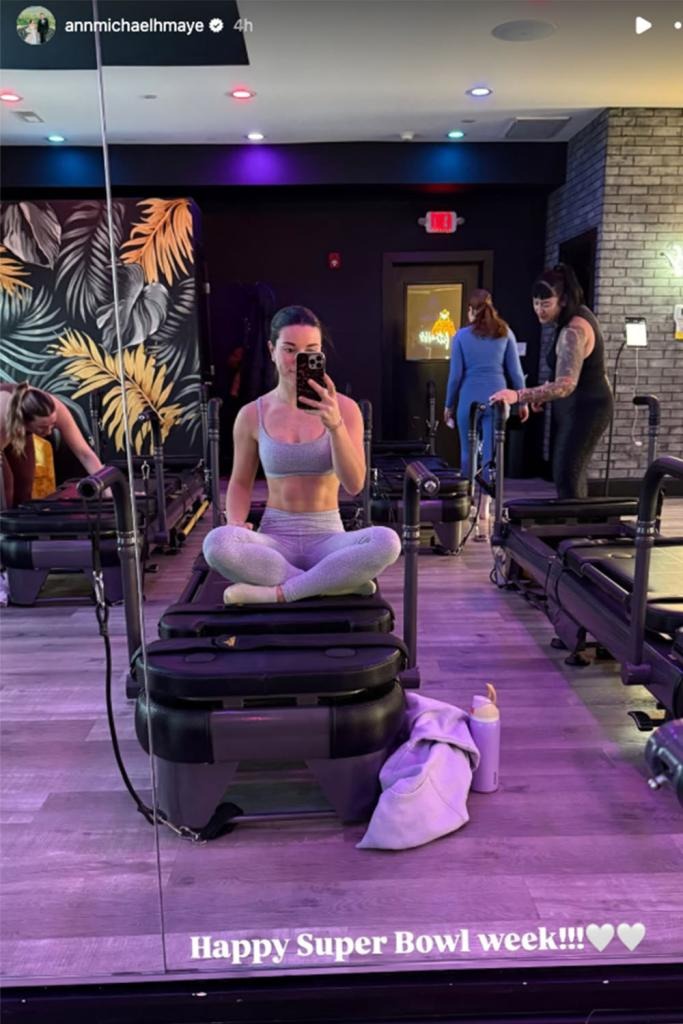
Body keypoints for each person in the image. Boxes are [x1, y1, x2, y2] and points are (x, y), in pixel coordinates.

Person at [202, 305, 401, 604]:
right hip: (274, 540)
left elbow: (354, 485)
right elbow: (241, 482)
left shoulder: (346, 410)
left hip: (329, 539)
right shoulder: (252, 414)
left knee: (387, 541)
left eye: (310, 351)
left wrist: (335, 426)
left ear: (321, 354)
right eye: (290, 350)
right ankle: (333, 582)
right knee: (216, 543)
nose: (299, 360)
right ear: (272, 350)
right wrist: (235, 522)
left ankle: (281, 593)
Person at [490, 263, 613, 499]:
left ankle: (574, 522)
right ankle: (573, 520)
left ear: (563, 300)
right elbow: (564, 370)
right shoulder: (569, 320)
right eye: (536, 303)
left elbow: (566, 384)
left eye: (545, 304)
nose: (539, 310)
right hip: (576, 405)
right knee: (567, 473)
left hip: (588, 407)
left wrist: (518, 395)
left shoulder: (573, 330)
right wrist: (545, 390)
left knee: (568, 474)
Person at [443, 289, 528, 539]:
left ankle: (468, 504)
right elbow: (516, 372)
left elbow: (455, 376)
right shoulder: (505, 333)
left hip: (469, 399)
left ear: (470, 311)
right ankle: (486, 510)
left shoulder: (461, 336)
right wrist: (523, 401)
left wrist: (448, 405)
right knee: (492, 455)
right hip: (498, 400)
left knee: (468, 452)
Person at [0, 382, 104, 509]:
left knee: (24, 483)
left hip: (16, 427)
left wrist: (107, 489)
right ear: (25, 421)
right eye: (43, 427)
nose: (49, 432)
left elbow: (85, 454)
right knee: (6, 485)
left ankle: (21, 520)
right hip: (4, 425)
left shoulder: (57, 409)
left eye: (52, 425)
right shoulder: (3, 415)